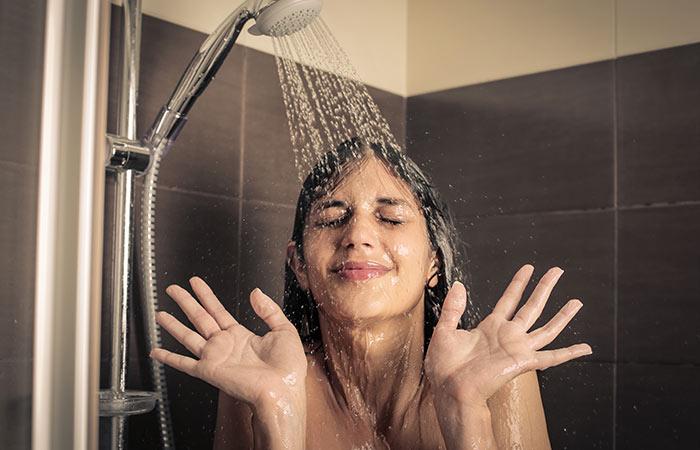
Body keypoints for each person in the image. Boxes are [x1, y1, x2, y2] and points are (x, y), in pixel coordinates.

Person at [150, 138, 592, 449]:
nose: (358, 235)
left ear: (433, 263)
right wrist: (276, 415)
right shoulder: (258, 381)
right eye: (331, 218)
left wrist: (467, 415)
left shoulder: (496, 380)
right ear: (299, 265)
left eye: (391, 218)